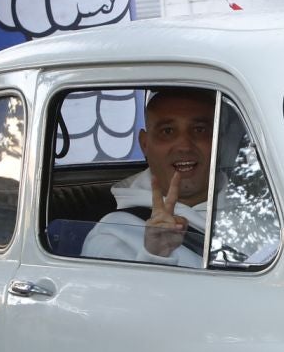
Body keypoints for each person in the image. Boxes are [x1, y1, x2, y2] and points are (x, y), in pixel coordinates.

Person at [80, 88, 214, 266]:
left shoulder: (254, 206)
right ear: (144, 144)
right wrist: (155, 256)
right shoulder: (114, 233)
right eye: (167, 131)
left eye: (199, 130)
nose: (184, 146)